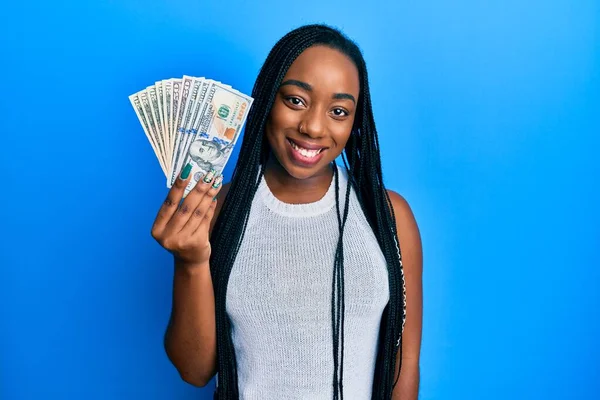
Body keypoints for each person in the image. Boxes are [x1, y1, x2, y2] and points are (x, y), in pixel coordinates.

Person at [151, 24, 423, 400]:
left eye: (339, 111)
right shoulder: (217, 211)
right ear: (266, 100)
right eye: (296, 100)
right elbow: (194, 370)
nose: (313, 126)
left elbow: (404, 365)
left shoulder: (389, 216)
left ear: (354, 123)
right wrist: (190, 262)